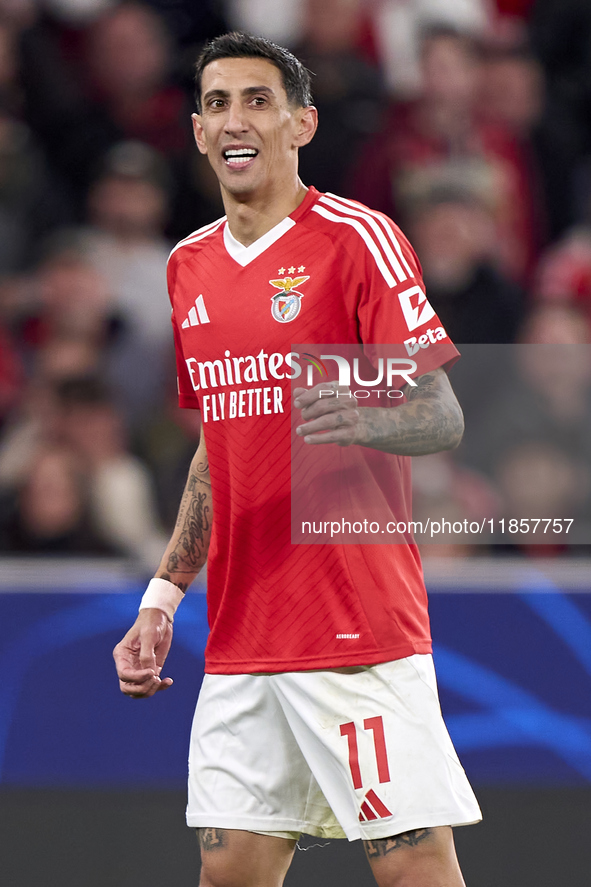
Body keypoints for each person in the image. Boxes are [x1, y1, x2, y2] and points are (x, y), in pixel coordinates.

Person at [113, 32, 481, 887]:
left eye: (256, 99)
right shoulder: (187, 267)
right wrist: (164, 595)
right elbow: (219, 442)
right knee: (230, 873)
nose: (234, 119)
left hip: (355, 624)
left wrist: (355, 408)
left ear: (300, 122)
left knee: (413, 868)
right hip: (242, 635)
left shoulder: (357, 239)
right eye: (215, 104)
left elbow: (440, 413)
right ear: (198, 133)